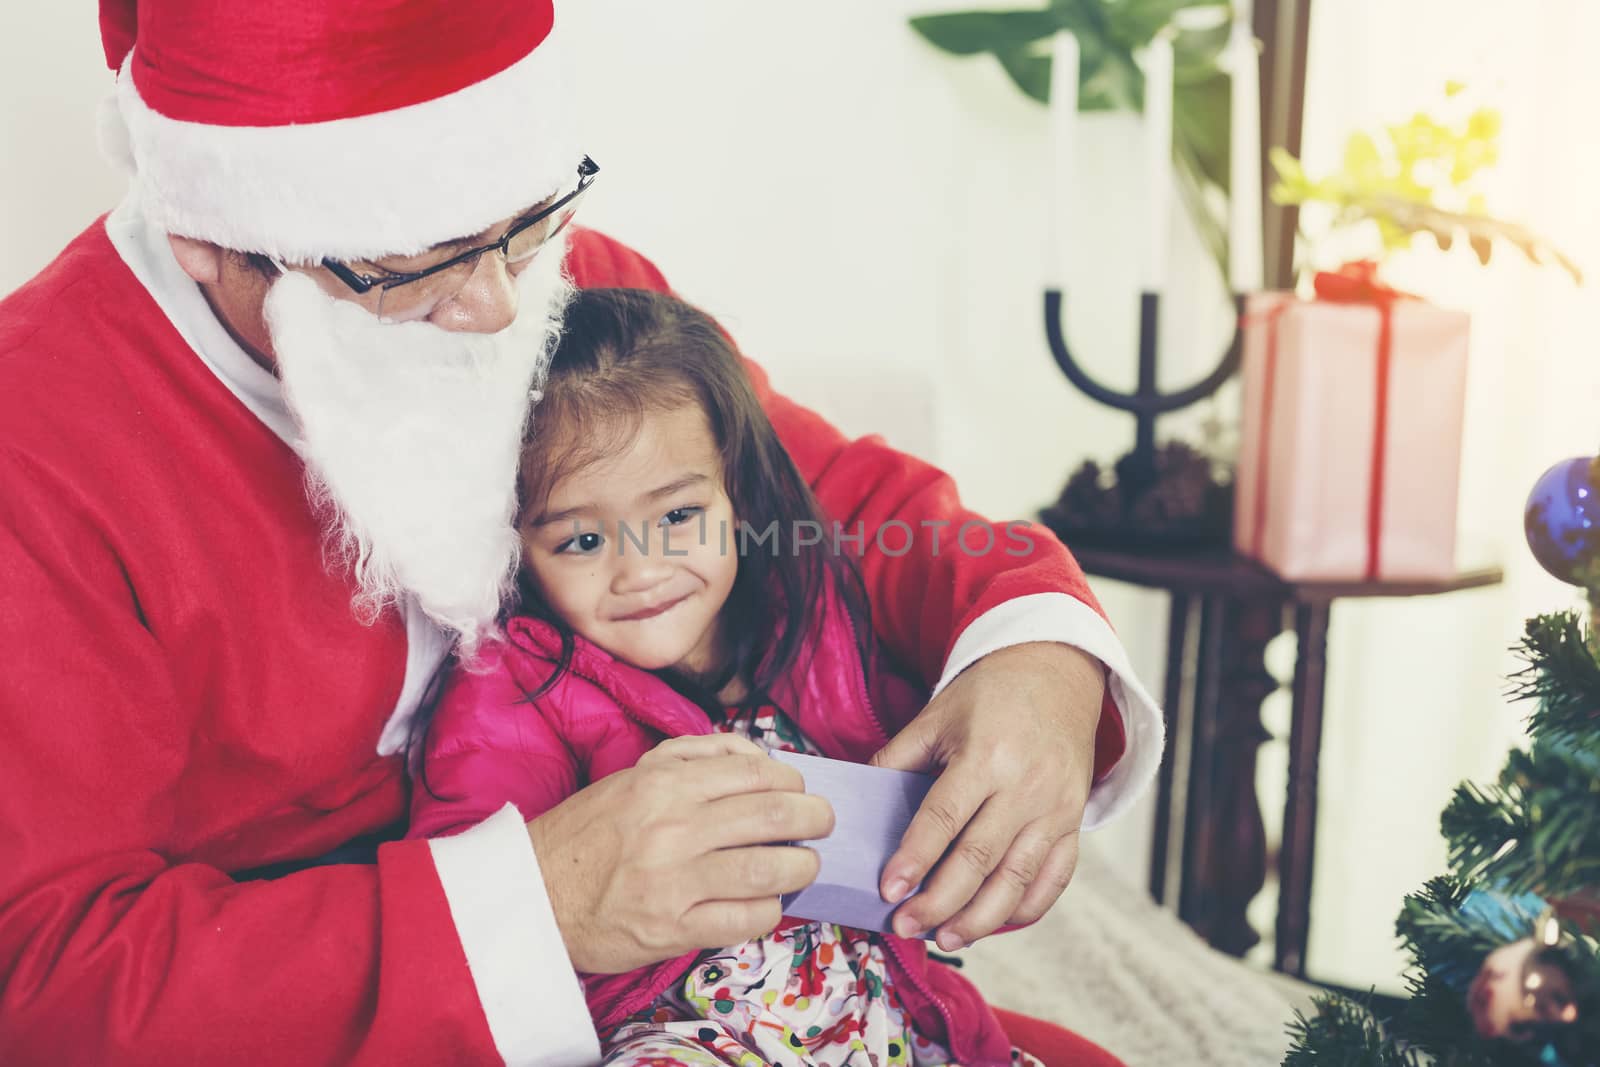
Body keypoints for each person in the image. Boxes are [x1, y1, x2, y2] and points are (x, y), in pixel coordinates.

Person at [0, 2, 1160, 1064]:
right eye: (417, 271)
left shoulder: (548, 285)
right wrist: (543, 900)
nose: (503, 309)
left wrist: (1032, 651)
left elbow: (827, 501)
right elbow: (42, 976)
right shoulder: (35, 445)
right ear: (208, 232)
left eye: (529, 222)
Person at [410, 287, 1082, 1065]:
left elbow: (939, 826)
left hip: (876, 1011)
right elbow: (483, 909)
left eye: (676, 517)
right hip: (683, 1032)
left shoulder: (816, 617)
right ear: (515, 545)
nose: (642, 571)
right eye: (583, 539)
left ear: (734, 490)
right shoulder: (513, 689)